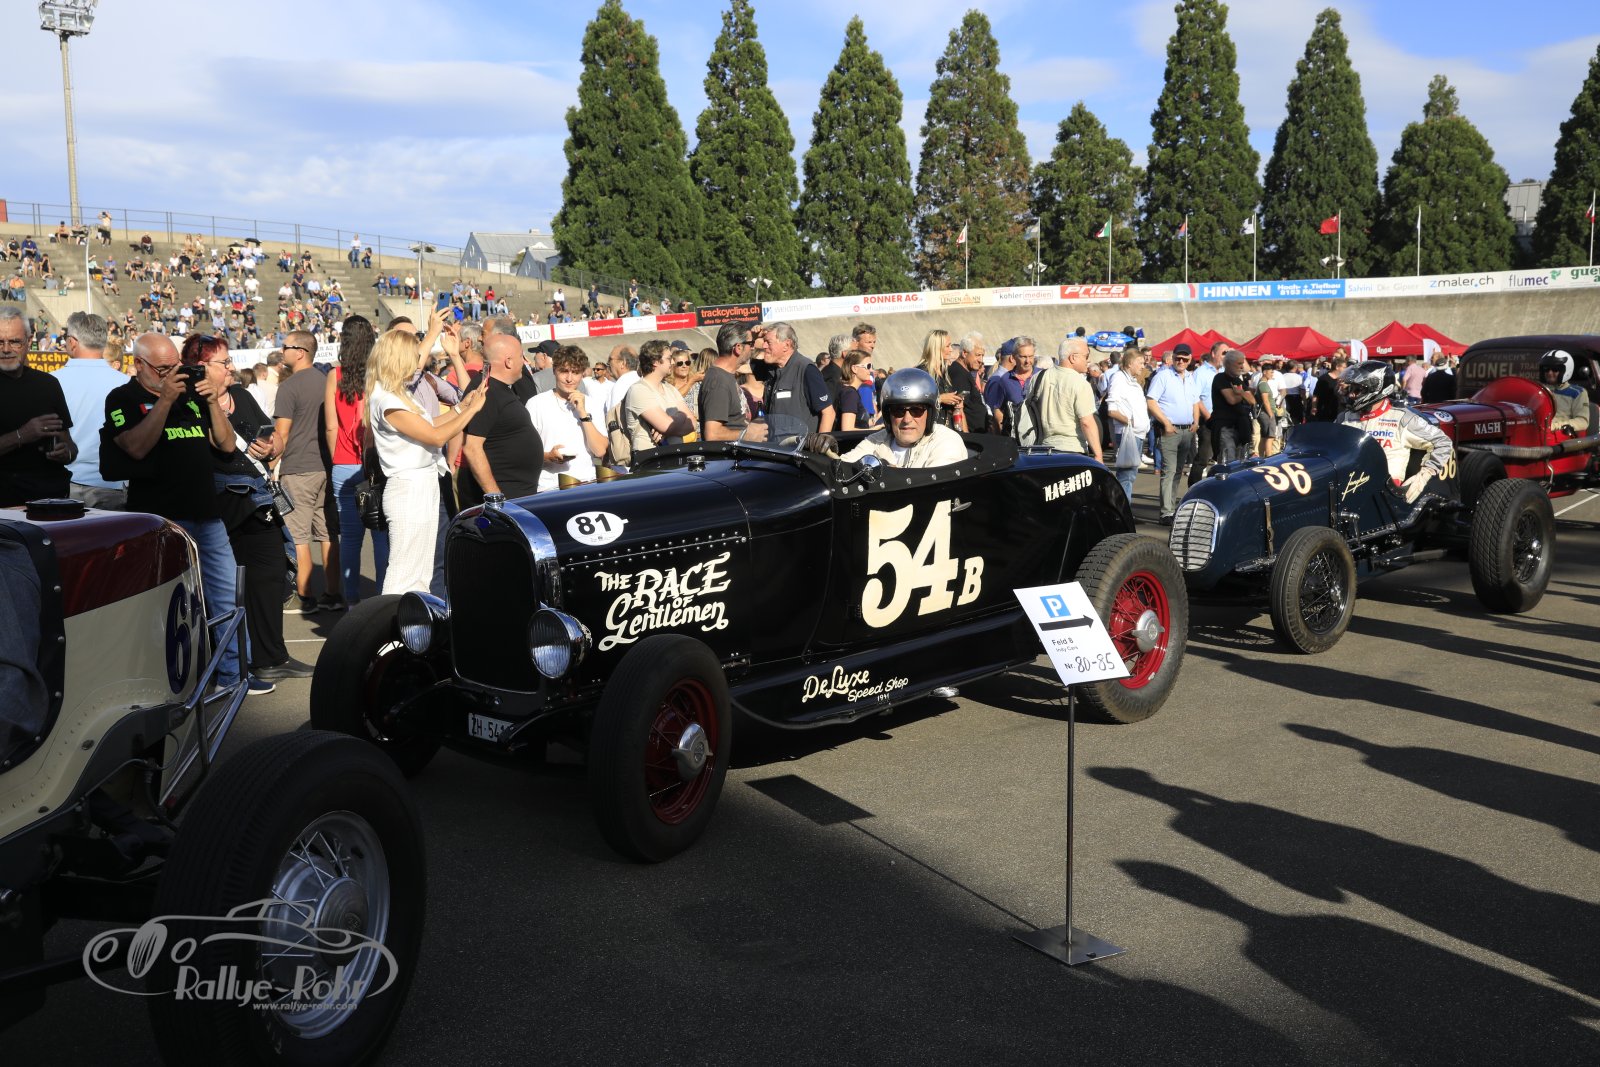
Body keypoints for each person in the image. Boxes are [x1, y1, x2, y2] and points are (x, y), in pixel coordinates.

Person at [103, 333, 243, 689]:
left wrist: (212, 402)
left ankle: (233, 676)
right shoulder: (122, 398)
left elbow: (226, 445)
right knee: (169, 606)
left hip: (206, 514)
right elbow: (135, 447)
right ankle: (170, 684)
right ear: (139, 364)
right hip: (160, 519)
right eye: (163, 369)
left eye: (176, 367)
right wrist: (164, 400)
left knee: (227, 597)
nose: (172, 375)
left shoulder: (191, 395)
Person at [182, 334, 309, 685]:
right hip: (221, 504)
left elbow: (275, 437)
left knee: (270, 574)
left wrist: (271, 446)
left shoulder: (241, 395)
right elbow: (221, 446)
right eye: (224, 362)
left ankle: (270, 656)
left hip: (257, 500)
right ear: (201, 367)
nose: (231, 367)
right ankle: (235, 663)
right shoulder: (189, 403)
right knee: (225, 589)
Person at [367, 329, 486, 595]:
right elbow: (436, 436)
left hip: (422, 483)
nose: (418, 360)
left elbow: (429, 425)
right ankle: (393, 619)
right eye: (413, 355)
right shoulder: (387, 399)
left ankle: (412, 619)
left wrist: (461, 407)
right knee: (404, 572)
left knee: (422, 571)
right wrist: (472, 411)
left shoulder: (397, 393)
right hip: (408, 488)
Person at [273, 330, 342, 614]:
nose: (282, 351)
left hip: (299, 468)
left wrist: (269, 465)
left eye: (285, 347)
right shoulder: (327, 382)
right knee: (327, 533)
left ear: (300, 352)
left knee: (298, 535)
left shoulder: (289, 387)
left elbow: (282, 434)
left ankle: (305, 596)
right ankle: (333, 593)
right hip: (327, 465)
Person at [323, 315, 388, 605]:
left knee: (350, 538)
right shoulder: (380, 374)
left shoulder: (334, 375)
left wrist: (337, 459)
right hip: (376, 464)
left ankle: (351, 602)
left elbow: (331, 427)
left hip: (344, 464)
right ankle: (383, 599)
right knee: (380, 535)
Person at [1336, 361, 1453, 502]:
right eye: (1351, 389)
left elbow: (1443, 442)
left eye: (1358, 390)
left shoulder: (1403, 418)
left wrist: (1424, 475)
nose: (1351, 395)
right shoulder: (1344, 418)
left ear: (1376, 389)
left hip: (1385, 497)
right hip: (1344, 490)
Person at [458, 333, 544, 509]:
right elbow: (472, 447)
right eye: (521, 356)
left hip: (517, 495)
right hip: (504, 501)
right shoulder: (487, 391)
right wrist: (496, 498)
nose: (524, 362)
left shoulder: (498, 388)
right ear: (509, 361)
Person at [0, 307, 75, 506]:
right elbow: (25, 434)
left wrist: (65, 452)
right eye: (0, 342)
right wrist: (22, 435)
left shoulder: (48, 384)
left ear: (29, 341)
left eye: (14, 341)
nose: (6, 349)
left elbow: (70, 446)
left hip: (50, 501)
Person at [54, 312, 128, 509]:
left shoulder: (51, 382)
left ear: (72, 342)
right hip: (110, 486)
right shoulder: (125, 383)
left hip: (65, 483)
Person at [840, 369, 968, 468]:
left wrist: (890, 474)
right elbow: (843, 465)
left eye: (916, 410)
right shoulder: (878, 439)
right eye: (898, 411)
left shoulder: (946, 441)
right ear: (888, 415)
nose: (907, 419)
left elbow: (933, 484)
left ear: (930, 414)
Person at [528, 345, 609, 490]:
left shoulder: (592, 404)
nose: (569, 379)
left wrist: (583, 413)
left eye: (575, 372)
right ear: (554, 371)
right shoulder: (536, 404)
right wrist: (548, 456)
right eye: (564, 371)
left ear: (582, 374)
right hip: (549, 487)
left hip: (587, 483)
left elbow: (600, 451)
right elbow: (526, 453)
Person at [1145, 344, 1203, 523]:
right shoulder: (1163, 376)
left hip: (1187, 430)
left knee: (1177, 471)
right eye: (1178, 358)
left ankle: (1171, 508)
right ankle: (1166, 512)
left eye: (1185, 359)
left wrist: (1196, 422)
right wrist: (1166, 423)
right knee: (1169, 471)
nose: (1181, 361)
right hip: (1170, 430)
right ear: (1173, 357)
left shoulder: (1191, 377)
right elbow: (1151, 401)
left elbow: (1195, 402)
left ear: (1190, 359)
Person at [1034, 336, 1103, 462]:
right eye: (1086, 356)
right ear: (1073, 357)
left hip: (1040, 449)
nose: (1088, 360)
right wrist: (1098, 455)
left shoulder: (1039, 377)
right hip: (1072, 451)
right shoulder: (1080, 383)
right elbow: (1087, 422)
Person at [761, 322, 833, 435]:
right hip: (775, 444)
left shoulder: (806, 369)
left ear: (787, 345)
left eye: (768, 342)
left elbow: (828, 413)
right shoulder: (772, 369)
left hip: (801, 444)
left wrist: (821, 441)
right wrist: (753, 337)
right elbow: (742, 363)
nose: (764, 346)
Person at [624, 339, 695, 455]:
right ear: (655, 362)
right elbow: (666, 425)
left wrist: (667, 431)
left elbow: (692, 423)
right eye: (669, 358)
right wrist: (681, 416)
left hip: (675, 456)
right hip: (651, 458)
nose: (673, 362)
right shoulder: (639, 390)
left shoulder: (670, 389)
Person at [699, 323, 764, 442]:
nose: (753, 348)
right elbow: (712, 434)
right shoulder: (718, 381)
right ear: (738, 348)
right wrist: (747, 434)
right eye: (750, 344)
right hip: (726, 454)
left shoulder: (725, 375)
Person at [1105, 348, 1150, 502]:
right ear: (1130, 363)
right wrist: (1130, 422)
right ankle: (1123, 509)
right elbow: (1112, 409)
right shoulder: (1119, 378)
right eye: (1140, 363)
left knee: (1130, 474)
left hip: (1136, 433)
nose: (1143, 366)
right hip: (1128, 433)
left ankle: (1123, 508)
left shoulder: (1132, 381)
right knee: (1126, 475)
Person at [1211, 351, 1258, 464]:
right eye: (1239, 363)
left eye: (1242, 363)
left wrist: (1240, 393)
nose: (1242, 366)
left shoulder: (1238, 380)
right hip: (1226, 427)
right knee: (1229, 463)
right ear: (1228, 364)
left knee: (1241, 463)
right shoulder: (1220, 378)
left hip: (1241, 427)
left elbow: (1252, 401)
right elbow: (1231, 400)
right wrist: (1243, 395)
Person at [1539, 350, 1589, 435]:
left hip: (1561, 437)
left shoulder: (1577, 393)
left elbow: (1582, 421)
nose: (1549, 373)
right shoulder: (1540, 391)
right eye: (1546, 369)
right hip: (1538, 433)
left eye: (1555, 369)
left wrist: (1554, 426)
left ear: (1565, 370)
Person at [947, 335, 990, 433]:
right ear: (964, 353)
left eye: (982, 356)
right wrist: (966, 436)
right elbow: (958, 409)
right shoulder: (959, 374)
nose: (981, 360)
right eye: (977, 355)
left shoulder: (964, 372)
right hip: (970, 437)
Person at [835, 349, 879, 431]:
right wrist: (873, 430)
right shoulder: (850, 393)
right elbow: (847, 429)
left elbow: (858, 423)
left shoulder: (849, 390)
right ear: (854, 368)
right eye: (868, 366)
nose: (871, 370)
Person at [1309, 353, 1349, 421]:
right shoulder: (1324, 379)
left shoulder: (1344, 379)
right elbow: (1316, 395)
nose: (1346, 369)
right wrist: (1314, 407)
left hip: (1340, 412)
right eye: (1344, 367)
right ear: (1337, 367)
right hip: (1326, 412)